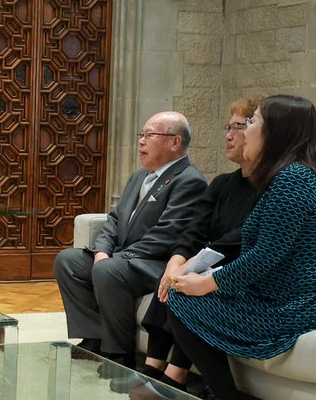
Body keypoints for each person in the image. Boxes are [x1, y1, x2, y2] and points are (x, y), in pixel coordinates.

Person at [166, 94, 316, 400]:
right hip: (279, 297)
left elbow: (264, 256)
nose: (246, 130)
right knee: (185, 294)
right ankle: (219, 395)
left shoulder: (293, 180)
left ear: (275, 132)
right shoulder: (286, 178)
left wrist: (207, 282)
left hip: (298, 306)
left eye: (253, 121)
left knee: (183, 300)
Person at [123, 98, 263, 400]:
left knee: (189, 283)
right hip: (208, 261)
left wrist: (189, 267)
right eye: (228, 127)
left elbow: (241, 239)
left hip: (238, 270)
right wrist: (176, 262)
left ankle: (176, 374)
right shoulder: (223, 183)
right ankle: (153, 366)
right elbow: (193, 230)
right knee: (172, 275)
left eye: (239, 127)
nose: (229, 135)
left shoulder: (273, 188)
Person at [54, 111, 207, 368]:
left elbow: (166, 235)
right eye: (141, 134)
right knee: (68, 261)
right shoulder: (139, 176)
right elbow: (114, 219)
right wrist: (102, 251)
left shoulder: (189, 181)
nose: (141, 141)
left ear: (175, 142)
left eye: (150, 135)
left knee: (108, 270)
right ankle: (94, 338)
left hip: (155, 264)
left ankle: (120, 355)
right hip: (123, 259)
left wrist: (115, 258)